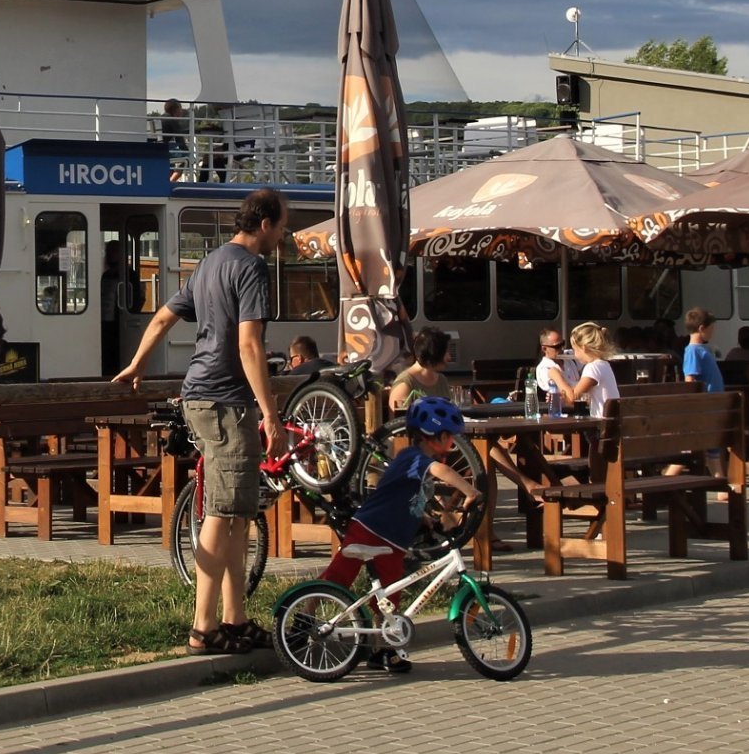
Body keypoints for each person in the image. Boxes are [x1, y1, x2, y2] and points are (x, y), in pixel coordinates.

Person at [115, 188, 290, 656]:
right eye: (284, 224)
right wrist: (270, 413)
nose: (284, 233)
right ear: (267, 223)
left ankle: (235, 619)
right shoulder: (252, 268)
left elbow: (162, 318)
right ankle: (203, 626)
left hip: (201, 393)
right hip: (226, 400)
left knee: (237, 515)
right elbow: (250, 345)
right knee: (221, 512)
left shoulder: (210, 262)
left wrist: (137, 363)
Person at [311, 395, 477, 675]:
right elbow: (441, 471)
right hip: (370, 530)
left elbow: (405, 497)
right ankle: (303, 616)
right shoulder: (414, 458)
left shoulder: (415, 463)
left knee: (389, 597)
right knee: (337, 579)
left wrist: (426, 520)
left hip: (391, 542)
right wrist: (470, 490)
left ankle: (383, 649)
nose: (453, 444)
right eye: (450, 437)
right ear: (434, 436)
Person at [550, 322, 618, 415]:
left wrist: (557, 377)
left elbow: (572, 399)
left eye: (575, 350)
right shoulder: (604, 364)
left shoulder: (592, 368)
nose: (574, 354)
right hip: (611, 421)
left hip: (601, 424)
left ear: (583, 348)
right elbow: (578, 392)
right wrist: (561, 396)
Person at [388, 327, 454, 412]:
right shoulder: (405, 384)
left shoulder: (442, 380)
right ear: (434, 354)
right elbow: (399, 422)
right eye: (446, 353)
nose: (449, 358)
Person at [99, 243, 138, 377]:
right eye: (109, 252)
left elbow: (138, 298)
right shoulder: (105, 276)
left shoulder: (130, 276)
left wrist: (131, 311)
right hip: (105, 321)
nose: (110, 255)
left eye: (114, 251)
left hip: (119, 323)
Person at [681, 308, 725, 393]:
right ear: (701, 329)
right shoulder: (692, 351)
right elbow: (690, 380)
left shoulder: (703, 349)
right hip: (707, 401)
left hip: (716, 399)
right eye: (711, 328)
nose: (713, 332)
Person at [530, 327, 570, 405]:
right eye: (557, 347)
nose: (561, 349)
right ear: (544, 349)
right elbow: (561, 392)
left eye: (562, 344)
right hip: (562, 408)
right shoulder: (544, 369)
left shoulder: (570, 356)